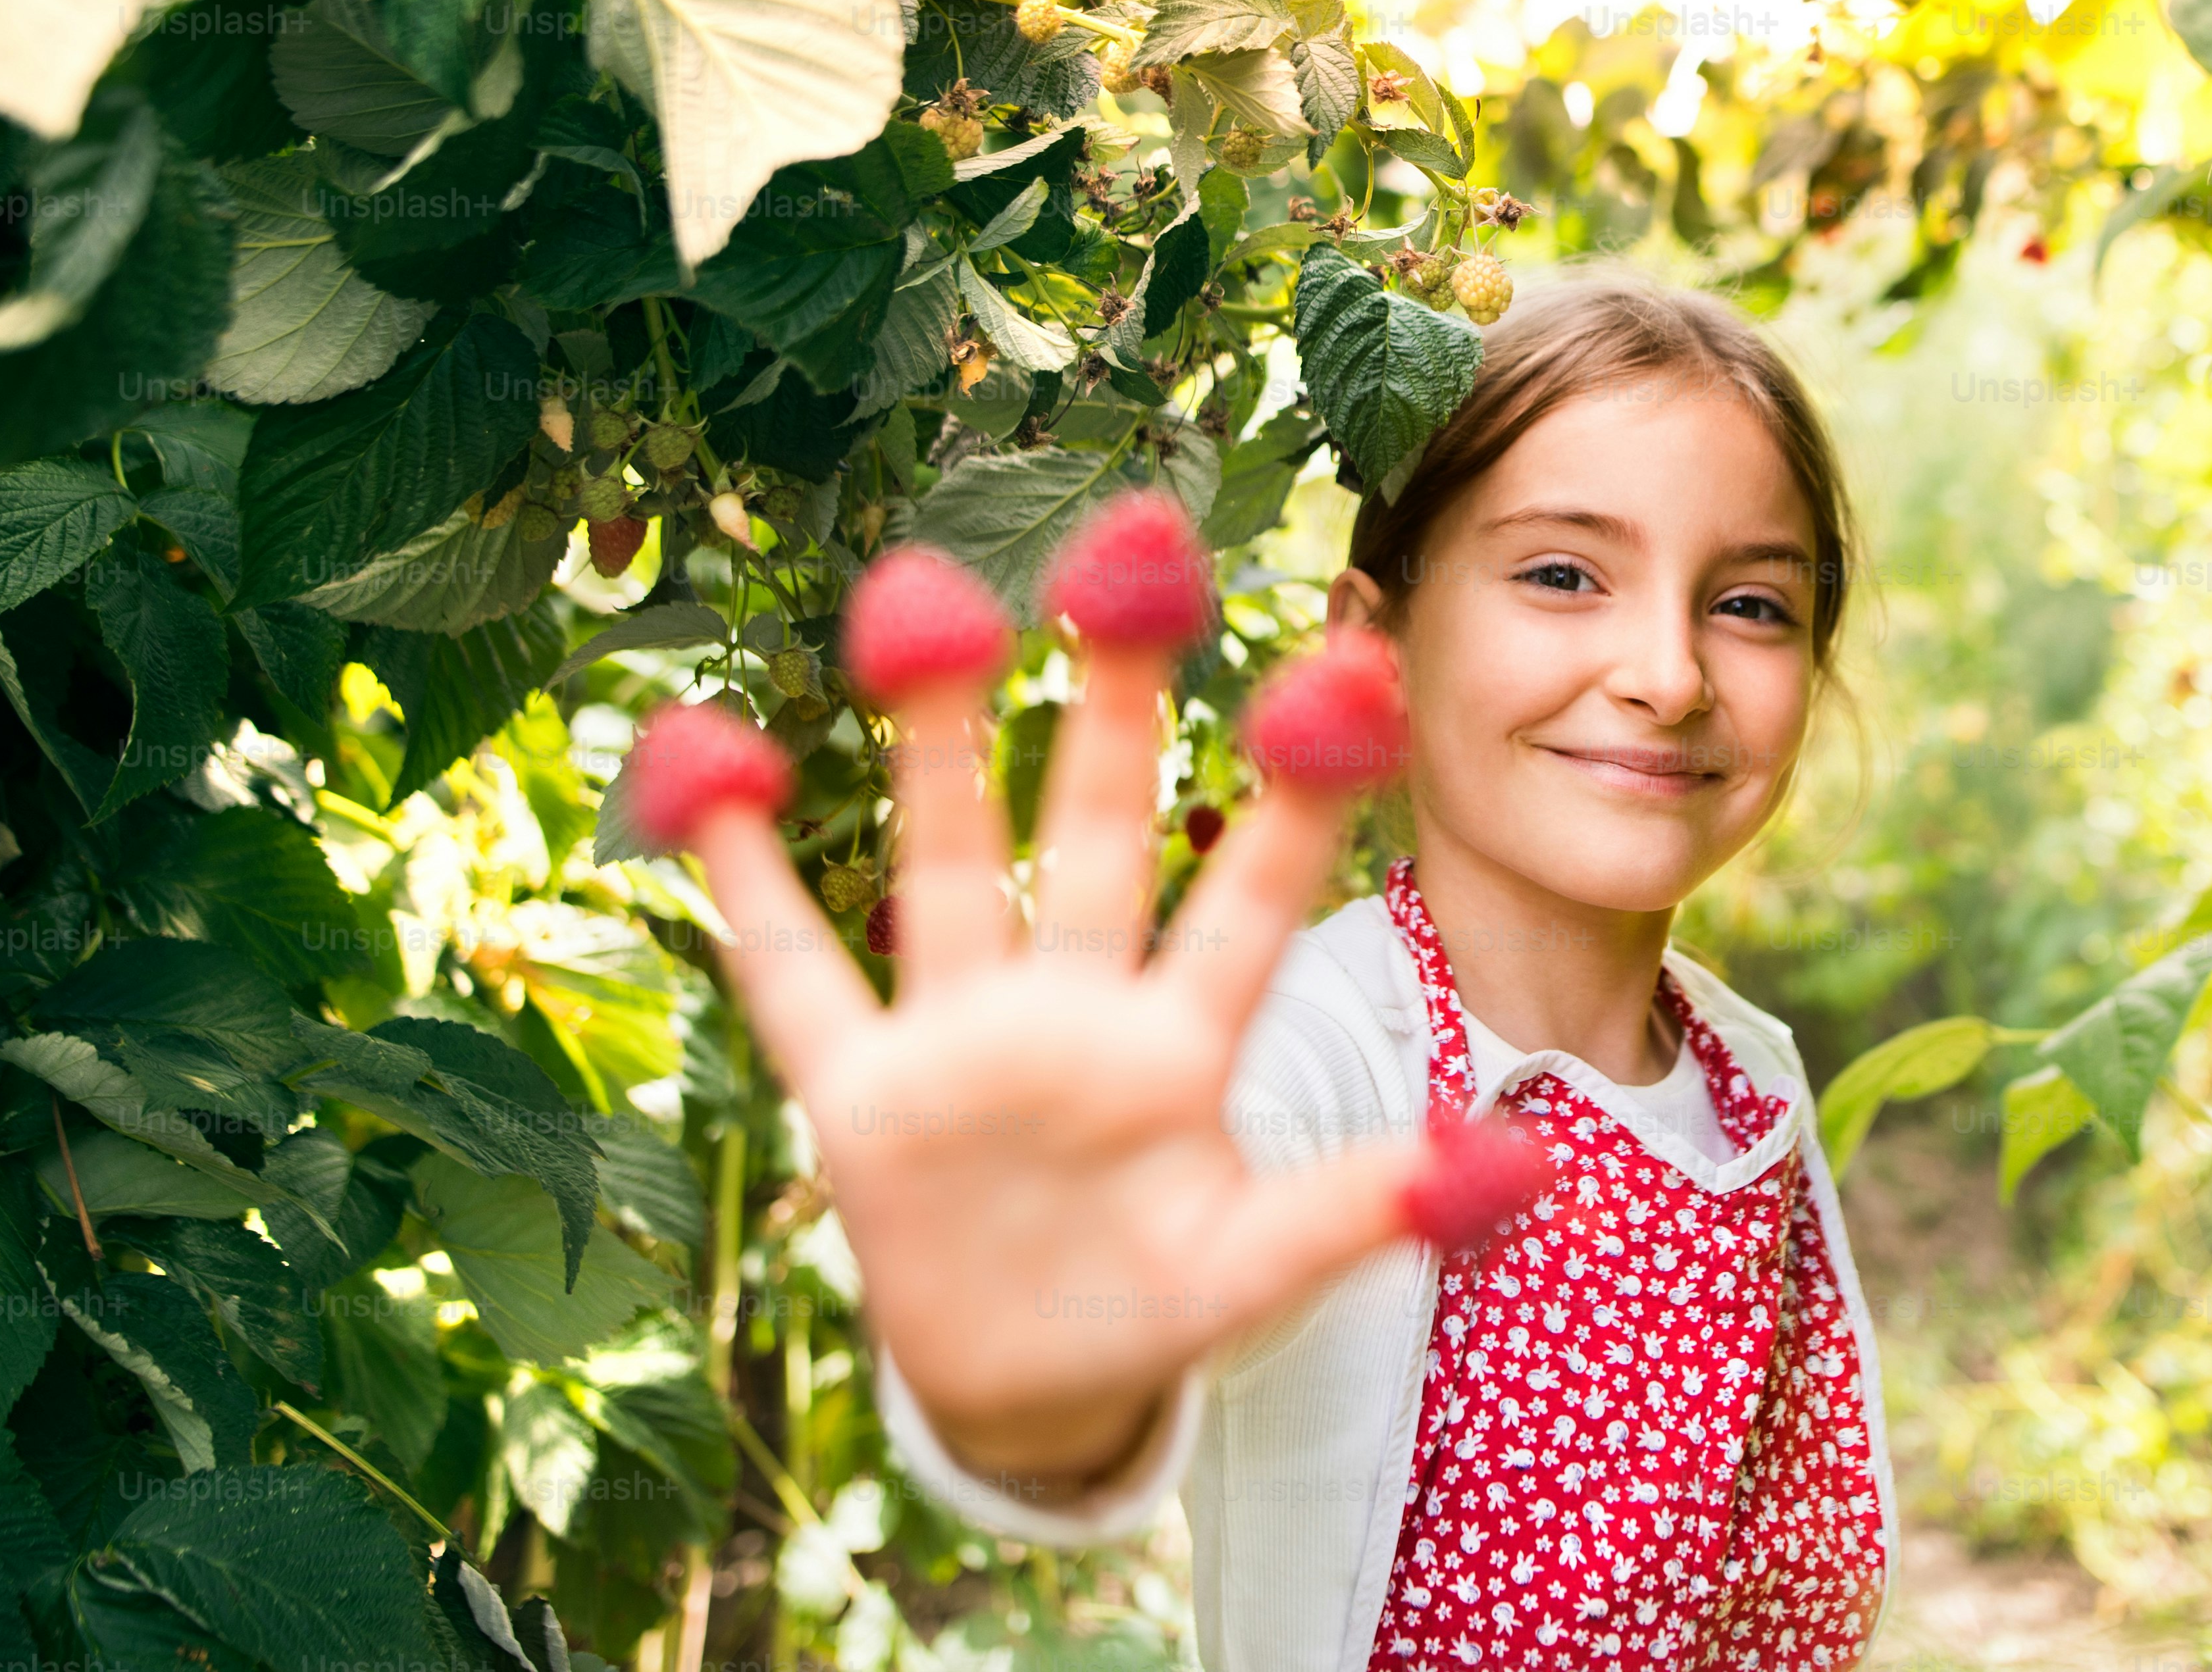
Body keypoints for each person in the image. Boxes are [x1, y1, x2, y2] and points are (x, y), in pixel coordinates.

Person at [677, 272, 1890, 1669]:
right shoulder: (1309, 1059)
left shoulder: (1748, 1077)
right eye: (1563, 572)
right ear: (1373, 641)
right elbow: (1140, 1292)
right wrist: (1039, 1351)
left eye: (1749, 602)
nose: (1668, 672)